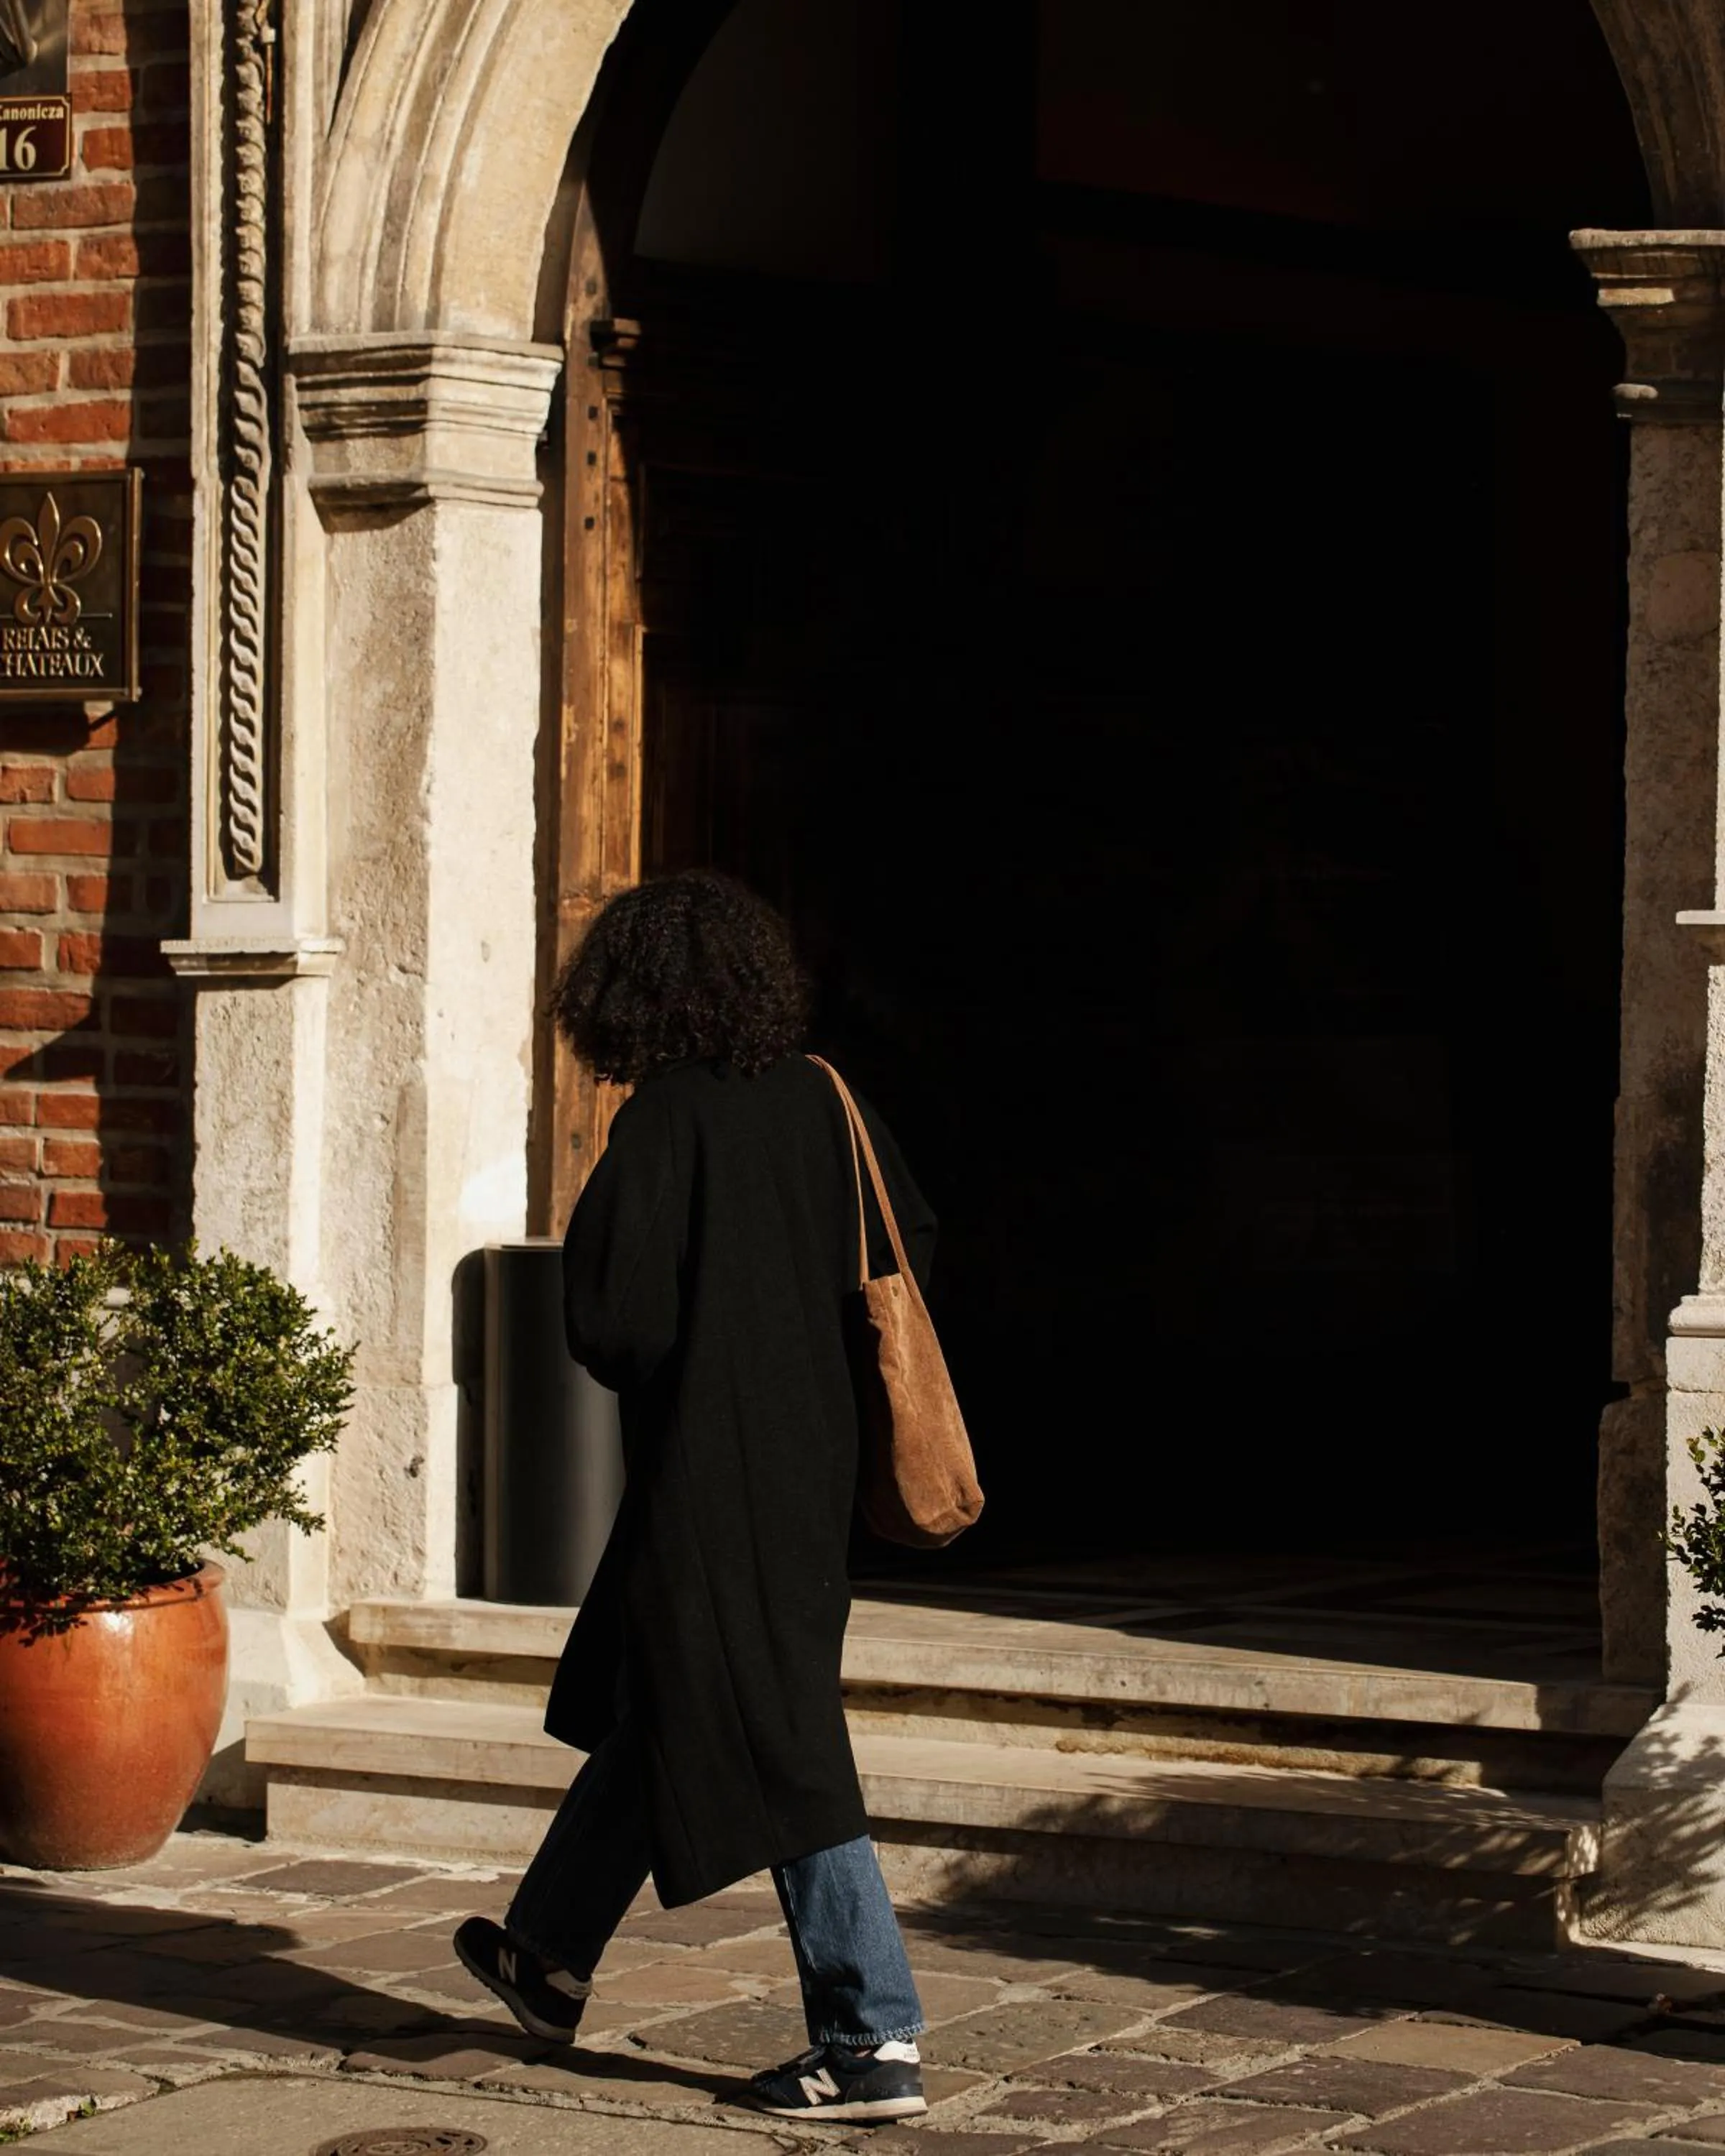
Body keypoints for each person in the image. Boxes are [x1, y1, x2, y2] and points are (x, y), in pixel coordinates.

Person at [456, 869, 937, 2123]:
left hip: (707, 1477)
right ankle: (546, 1955)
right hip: (813, 1468)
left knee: (775, 1735)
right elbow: (912, 1243)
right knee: (666, 1693)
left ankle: (870, 2035)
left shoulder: (666, 1121)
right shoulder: (830, 1100)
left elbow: (614, 1326)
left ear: (632, 997)